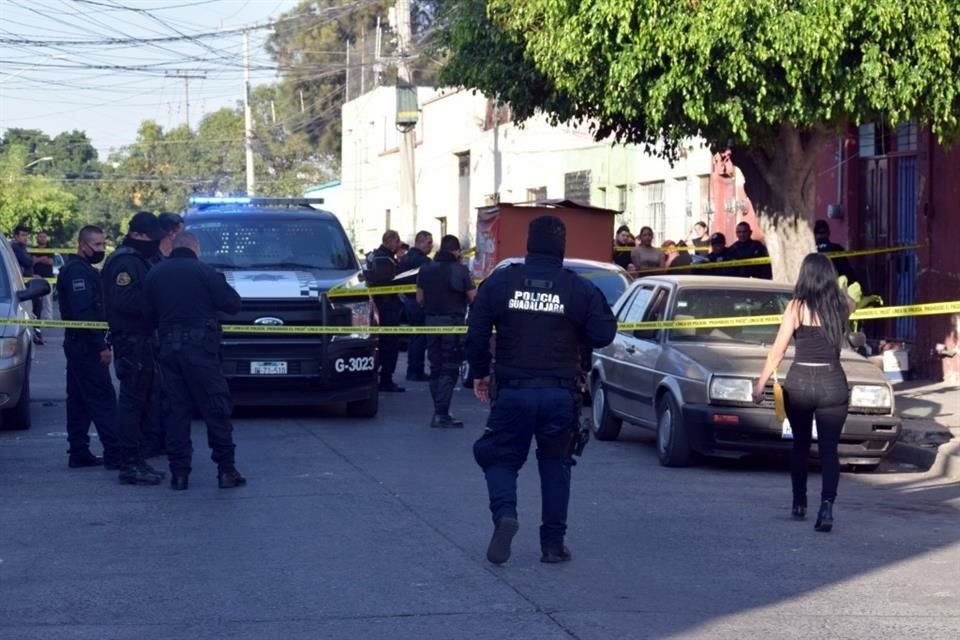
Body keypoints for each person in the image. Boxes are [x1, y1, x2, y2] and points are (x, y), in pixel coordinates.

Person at [466, 216, 616, 565]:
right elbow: (605, 333)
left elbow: (474, 332)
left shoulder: (502, 282)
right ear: (561, 248)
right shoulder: (577, 288)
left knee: (499, 457)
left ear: (529, 244)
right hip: (560, 394)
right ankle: (552, 545)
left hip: (513, 391)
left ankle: (505, 514)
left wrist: (478, 373)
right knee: (556, 465)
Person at [753, 253, 854, 533]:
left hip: (800, 382)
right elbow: (851, 301)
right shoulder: (842, 305)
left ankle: (799, 502)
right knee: (829, 450)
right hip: (832, 381)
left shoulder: (796, 307)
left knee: (799, 444)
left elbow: (778, 350)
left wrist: (761, 384)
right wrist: (837, 288)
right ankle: (827, 506)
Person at [143, 232, 244, 491]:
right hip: (200, 351)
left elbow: (146, 312)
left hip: (168, 349)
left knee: (176, 412)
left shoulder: (155, 274)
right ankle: (226, 470)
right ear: (194, 249)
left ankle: (179, 474)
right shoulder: (205, 273)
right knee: (216, 408)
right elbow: (233, 304)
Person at [101, 211, 166, 486]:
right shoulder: (126, 261)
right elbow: (124, 301)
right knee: (131, 401)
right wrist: (155, 304)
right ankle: (129, 463)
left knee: (140, 401)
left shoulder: (136, 259)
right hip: (131, 339)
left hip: (139, 339)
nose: (155, 242)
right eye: (151, 237)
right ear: (137, 234)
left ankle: (137, 459)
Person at [56, 226, 121, 470]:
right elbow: (84, 313)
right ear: (83, 245)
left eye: (103, 245)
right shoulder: (77, 273)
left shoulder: (84, 270)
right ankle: (116, 453)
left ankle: (79, 451)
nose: (101, 249)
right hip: (85, 346)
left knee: (79, 401)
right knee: (103, 398)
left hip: (78, 345)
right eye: (96, 245)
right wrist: (100, 345)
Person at [417, 234, 476, 428]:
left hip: (430, 322)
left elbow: (419, 299)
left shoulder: (425, 269)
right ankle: (441, 413)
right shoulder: (460, 270)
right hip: (452, 323)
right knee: (450, 368)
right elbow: (473, 298)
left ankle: (440, 410)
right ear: (457, 251)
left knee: (435, 367)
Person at [366, 230, 405, 392]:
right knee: (388, 344)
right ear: (390, 241)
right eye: (397, 242)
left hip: (382, 305)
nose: (399, 245)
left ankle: (382, 377)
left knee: (384, 343)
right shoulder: (383, 259)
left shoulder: (379, 256)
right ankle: (385, 379)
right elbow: (386, 282)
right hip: (386, 307)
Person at [398, 230, 434, 382]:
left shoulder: (405, 258)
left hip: (407, 301)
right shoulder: (423, 262)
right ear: (419, 242)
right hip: (419, 302)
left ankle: (413, 369)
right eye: (429, 243)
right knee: (419, 338)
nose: (431, 246)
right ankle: (416, 371)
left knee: (415, 337)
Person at [814, 220, 857, 285]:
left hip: (815, 287)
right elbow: (848, 274)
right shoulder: (837, 249)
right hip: (835, 287)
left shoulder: (810, 251)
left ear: (814, 234)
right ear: (828, 233)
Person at [30, 231, 55, 345]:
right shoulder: (33, 249)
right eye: (40, 236)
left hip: (48, 278)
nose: (42, 238)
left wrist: (39, 259)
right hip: (35, 278)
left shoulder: (50, 249)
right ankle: (36, 320)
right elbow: (32, 261)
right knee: (36, 302)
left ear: (47, 238)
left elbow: (50, 262)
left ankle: (48, 319)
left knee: (47, 300)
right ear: (37, 238)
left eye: (44, 236)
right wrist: (41, 259)